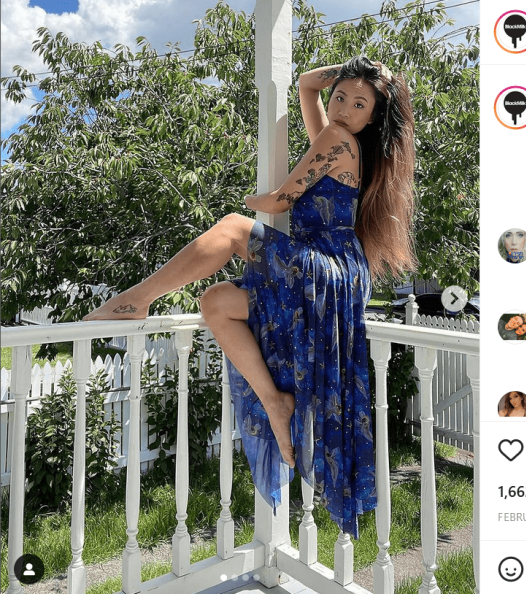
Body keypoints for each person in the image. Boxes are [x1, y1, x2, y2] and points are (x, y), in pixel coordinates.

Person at [83, 56, 415, 538]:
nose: (342, 106)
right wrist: (357, 68)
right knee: (217, 301)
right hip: (337, 274)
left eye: (358, 103)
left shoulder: (336, 139)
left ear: (372, 118)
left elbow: (279, 201)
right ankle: (276, 404)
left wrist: (257, 202)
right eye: (340, 95)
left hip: (325, 268)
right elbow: (305, 86)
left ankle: (135, 298)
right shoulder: (342, 138)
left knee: (236, 228)